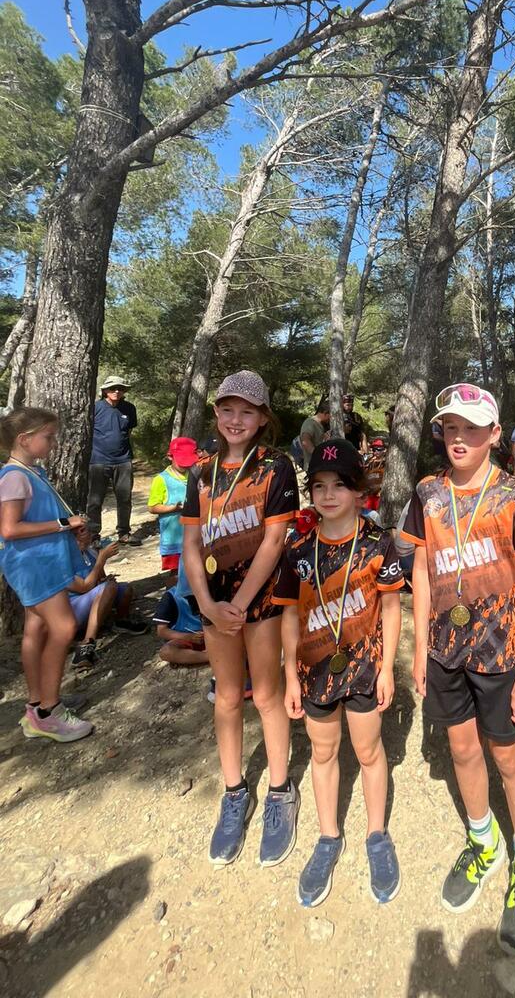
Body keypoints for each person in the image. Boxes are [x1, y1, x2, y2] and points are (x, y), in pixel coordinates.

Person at [401, 382, 515, 956]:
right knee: (462, 750)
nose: (458, 438)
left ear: (494, 433)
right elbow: (420, 571)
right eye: (450, 428)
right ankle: (484, 841)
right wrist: (419, 648)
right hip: (444, 651)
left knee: (508, 757)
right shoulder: (428, 492)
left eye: (470, 428)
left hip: (501, 653)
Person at [181, 370, 299, 868]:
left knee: (267, 695)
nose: (236, 419)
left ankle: (280, 791)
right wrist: (207, 604)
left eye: (247, 412)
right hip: (215, 603)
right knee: (227, 696)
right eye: (228, 409)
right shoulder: (201, 472)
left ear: (262, 418)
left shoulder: (276, 466)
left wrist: (243, 603)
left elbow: (274, 540)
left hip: (261, 601)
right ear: (216, 413)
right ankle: (234, 792)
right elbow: (191, 542)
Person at [278, 438, 404, 906]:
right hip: (315, 673)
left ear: (358, 491)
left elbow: (391, 607)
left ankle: (377, 835)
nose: (328, 495)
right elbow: (288, 616)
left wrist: (387, 669)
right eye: (319, 486)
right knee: (323, 752)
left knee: (368, 751)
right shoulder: (297, 548)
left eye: (340, 485)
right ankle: (328, 836)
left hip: (365, 669)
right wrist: (290, 677)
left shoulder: (377, 543)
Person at [0, 407, 94, 743]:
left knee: (36, 628)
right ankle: (48, 713)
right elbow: (9, 529)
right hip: (35, 566)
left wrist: (71, 532)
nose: (54, 443)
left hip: (40, 563)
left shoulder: (31, 472)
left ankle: (36, 704)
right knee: (64, 627)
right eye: (49, 437)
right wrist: (63, 524)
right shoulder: (14, 477)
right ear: (24, 439)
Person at [68, 539, 146, 670]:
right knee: (109, 587)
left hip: (88, 601)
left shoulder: (89, 552)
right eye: (78, 532)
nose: (85, 534)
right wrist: (101, 559)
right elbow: (83, 587)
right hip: (71, 610)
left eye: (85, 530)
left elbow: (99, 579)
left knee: (125, 589)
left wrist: (104, 579)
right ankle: (86, 644)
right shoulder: (62, 559)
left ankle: (120, 621)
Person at [87, 375, 140, 547]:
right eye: (112, 388)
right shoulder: (95, 408)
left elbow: (128, 432)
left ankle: (124, 533)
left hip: (123, 460)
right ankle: (93, 536)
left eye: (121, 388)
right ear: (105, 391)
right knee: (95, 501)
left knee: (124, 499)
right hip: (98, 460)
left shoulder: (129, 408)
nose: (117, 391)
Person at [148, 437, 198, 571]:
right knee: (175, 573)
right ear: (170, 457)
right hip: (173, 540)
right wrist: (173, 508)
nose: (185, 465)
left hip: (194, 537)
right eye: (182, 461)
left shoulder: (194, 475)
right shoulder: (161, 479)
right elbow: (152, 507)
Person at [153, 560, 210, 667]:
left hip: (211, 636)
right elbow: (162, 631)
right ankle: (209, 657)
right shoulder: (171, 597)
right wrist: (188, 637)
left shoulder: (212, 590)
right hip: (184, 639)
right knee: (166, 652)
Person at [292, 401, 330, 470]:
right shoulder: (310, 423)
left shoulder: (320, 424)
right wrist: (318, 455)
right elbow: (305, 440)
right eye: (331, 415)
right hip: (312, 465)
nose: (331, 418)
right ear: (325, 413)